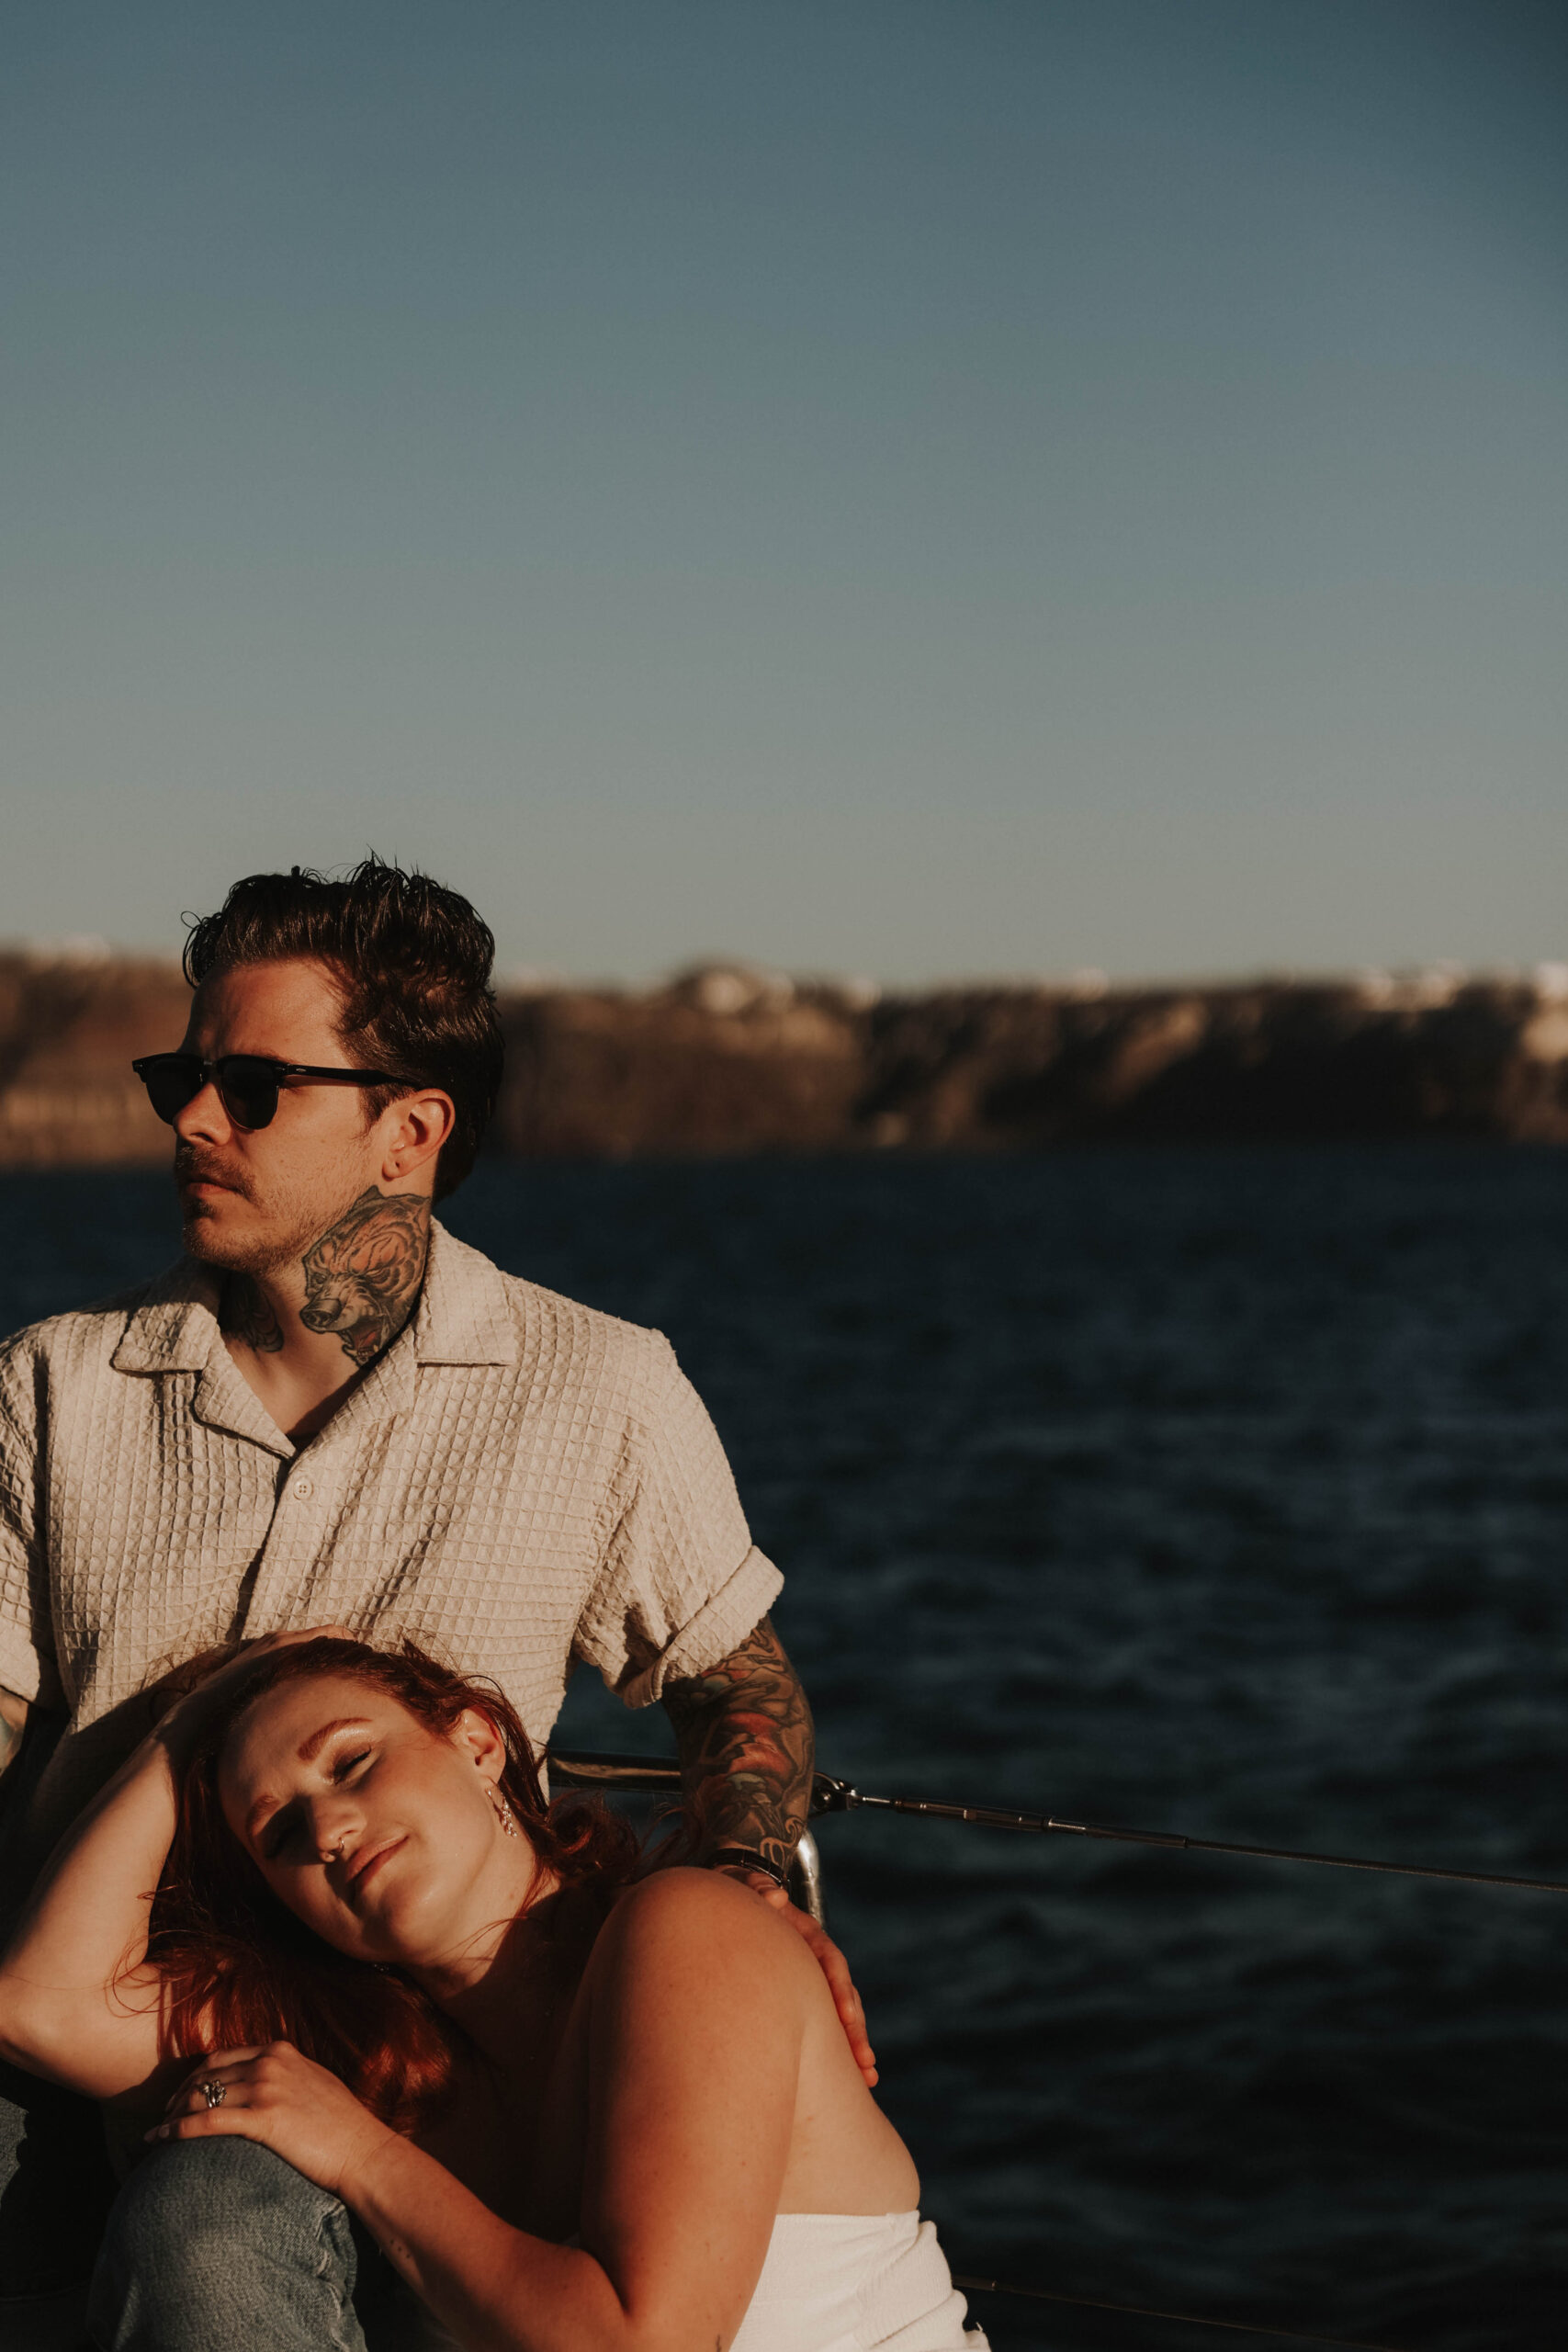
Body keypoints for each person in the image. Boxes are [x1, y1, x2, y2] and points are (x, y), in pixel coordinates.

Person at [0, 860, 868, 2315]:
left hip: (380, 2088)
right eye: (183, 1077)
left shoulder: (596, 1389)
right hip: (60, 2031)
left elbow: (737, 1683)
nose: (193, 1121)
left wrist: (737, 1898)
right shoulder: (51, 1387)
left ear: (408, 1130)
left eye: (255, 1085)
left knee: (209, 2230)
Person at [0, 1633, 983, 2352]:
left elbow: (637, 2344)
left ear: (477, 1741)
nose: (332, 1827)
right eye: (281, 1835)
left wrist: (357, 2151)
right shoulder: (368, 2061)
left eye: (353, 1761)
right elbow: (40, 2002)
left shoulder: (686, 1929)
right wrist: (192, 1721)